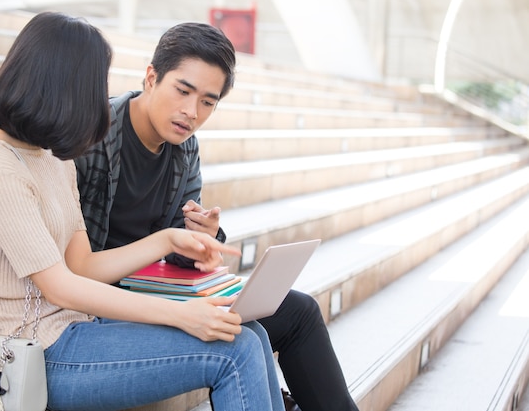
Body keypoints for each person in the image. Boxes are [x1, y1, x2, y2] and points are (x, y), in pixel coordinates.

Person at [0, 12, 286, 411]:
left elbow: (83, 266)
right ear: (60, 85)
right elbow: (60, 286)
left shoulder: (53, 160)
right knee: (233, 349)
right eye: (95, 84)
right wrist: (179, 314)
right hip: (31, 354)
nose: (100, 98)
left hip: (77, 330)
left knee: (249, 331)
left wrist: (169, 238)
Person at [76, 22, 361, 411]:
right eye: (183, 90)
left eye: (208, 102)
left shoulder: (184, 148)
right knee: (242, 342)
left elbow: (176, 249)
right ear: (151, 77)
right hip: (105, 301)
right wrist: (170, 245)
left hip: (158, 289)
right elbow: (73, 267)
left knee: (298, 312)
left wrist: (202, 242)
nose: (191, 112)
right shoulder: (93, 136)